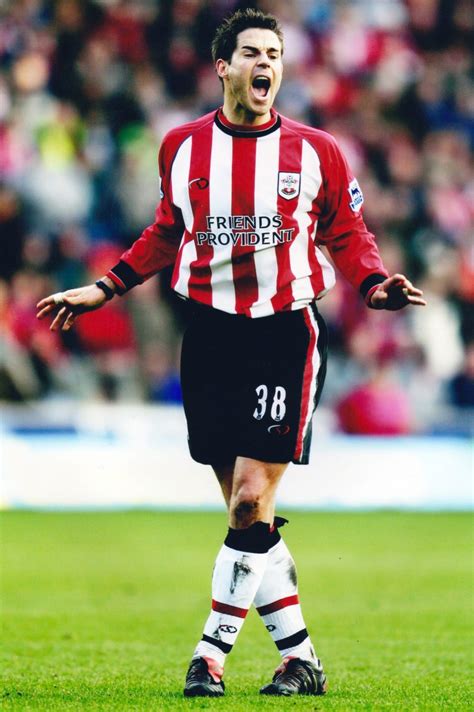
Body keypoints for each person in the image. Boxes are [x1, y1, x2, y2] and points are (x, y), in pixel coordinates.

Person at [37, 8, 426, 698]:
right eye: (250, 52)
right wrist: (105, 287)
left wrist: (372, 285)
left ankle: (209, 656)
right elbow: (166, 230)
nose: (265, 64)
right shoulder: (183, 147)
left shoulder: (318, 152)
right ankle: (300, 658)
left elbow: (349, 232)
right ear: (223, 66)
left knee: (250, 502)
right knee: (249, 520)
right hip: (211, 334)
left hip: (283, 333)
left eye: (273, 54)